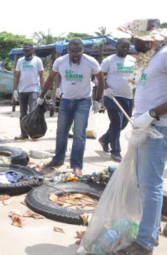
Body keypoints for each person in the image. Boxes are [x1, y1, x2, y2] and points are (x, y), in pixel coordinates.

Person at [112, 20, 167, 255]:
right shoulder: (150, 58)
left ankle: (144, 244)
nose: (132, 42)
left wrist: (153, 114)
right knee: (145, 184)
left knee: (150, 185)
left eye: (135, 37)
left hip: (158, 129)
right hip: (145, 128)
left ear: (149, 39)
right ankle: (151, 233)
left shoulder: (164, 56)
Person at [39, 39, 104, 176]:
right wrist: (42, 96)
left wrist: (98, 100)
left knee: (79, 134)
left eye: (78, 51)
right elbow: (51, 79)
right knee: (61, 131)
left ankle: (76, 165)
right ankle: (58, 159)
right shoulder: (60, 62)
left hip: (83, 101)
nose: (75, 54)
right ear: (67, 50)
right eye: (72, 51)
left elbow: (101, 79)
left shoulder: (91, 61)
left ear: (82, 50)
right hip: (66, 100)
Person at [98, 38, 136, 162]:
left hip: (128, 96)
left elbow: (136, 77)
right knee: (116, 122)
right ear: (117, 47)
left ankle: (105, 139)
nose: (125, 49)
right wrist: (106, 88)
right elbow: (100, 77)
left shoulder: (132, 60)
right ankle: (115, 152)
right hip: (112, 96)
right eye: (122, 47)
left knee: (123, 124)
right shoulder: (109, 60)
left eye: (127, 47)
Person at [13, 44, 45, 140]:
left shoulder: (37, 60)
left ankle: (34, 134)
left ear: (32, 50)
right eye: (24, 50)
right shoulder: (20, 61)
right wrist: (15, 89)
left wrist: (42, 90)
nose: (26, 52)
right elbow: (17, 76)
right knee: (23, 114)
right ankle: (23, 134)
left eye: (28, 50)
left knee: (32, 112)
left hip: (33, 89)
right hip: (22, 90)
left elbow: (42, 76)